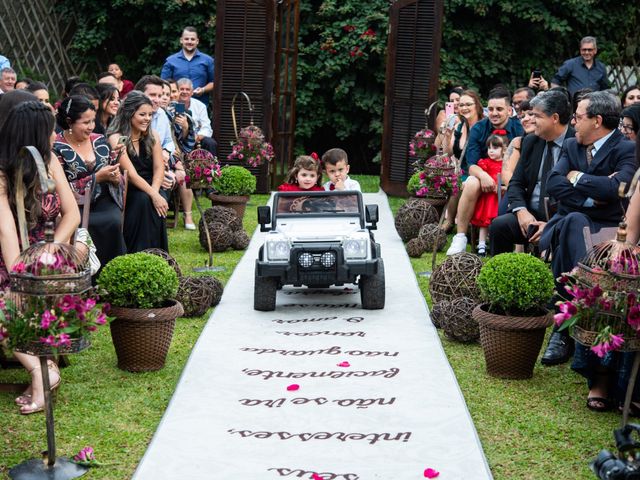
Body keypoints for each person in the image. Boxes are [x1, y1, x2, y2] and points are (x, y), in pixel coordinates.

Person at [539, 91, 636, 368]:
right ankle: (586, 304)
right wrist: (593, 195)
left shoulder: (626, 148)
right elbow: (554, 184)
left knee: (573, 223)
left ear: (597, 120)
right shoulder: (571, 146)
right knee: (572, 222)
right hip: (571, 220)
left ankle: (563, 328)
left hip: (608, 227)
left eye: (578, 117)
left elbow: (618, 189)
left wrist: (577, 177)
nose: (573, 123)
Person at [0, 101, 80, 414]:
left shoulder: (51, 160)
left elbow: (71, 214)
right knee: (8, 301)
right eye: (49, 130)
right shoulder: (2, 173)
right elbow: (6, 231)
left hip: (44, 251)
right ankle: (42, 370)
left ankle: (42, 370)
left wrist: (50, 249)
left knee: (27, 297)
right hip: (9, 256)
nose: (55, 135)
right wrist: (21, 277)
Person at [490, 89, 574, 257]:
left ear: (555, 118)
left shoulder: (576, 144)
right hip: (529, 216)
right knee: (499, 225)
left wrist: (552, 223)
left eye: (537, 116)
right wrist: (521, 211)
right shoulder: (531, 141)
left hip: (562, 218)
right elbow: (516, 183)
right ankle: (501, 278)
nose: (531, 121)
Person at [446, 88, 524, 255]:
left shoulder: (519, 129)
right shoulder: (479, 128)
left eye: (500, 109)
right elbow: (471, 164)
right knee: (472, 182)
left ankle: (518, 247)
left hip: (512, 179)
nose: (494, 113)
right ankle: (460, 237)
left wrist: (507, 183)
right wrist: (483, 176)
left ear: (510, 111)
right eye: (491, 109)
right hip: (484, 178)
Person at [53, 95, 126, 268]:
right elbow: (59, 187)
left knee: (113, 221)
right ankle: (86, 277)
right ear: (70, 122)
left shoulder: (99, 140)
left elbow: (112, 170)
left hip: (104, 200)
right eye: (86, 123)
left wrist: (116, 177)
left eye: (93, 121)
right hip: (72, 207)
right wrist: (96, 178)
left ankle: (112, 272)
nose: (91, 127)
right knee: (87, 226)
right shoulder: (56, 146)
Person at [107, 91, 169, 252]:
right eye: (142, 114)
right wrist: (153, 195)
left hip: (152, 185)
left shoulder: (152, 135)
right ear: (129, 114)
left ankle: (158, 255)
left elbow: (159, 167)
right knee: (143, 199)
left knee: (155, 198)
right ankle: (138, 252)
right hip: (128, 188)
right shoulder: (116, 138)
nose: (147, 118)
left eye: (150, 114)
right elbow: (131, 174)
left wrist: (155, 192)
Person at [160, 80, 196, 230]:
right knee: (179, 171)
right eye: (161, 94)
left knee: (183, 175)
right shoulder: (148, 113)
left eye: (168, 94)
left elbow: (183, 141)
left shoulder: (177, 112)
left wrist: (186, 127)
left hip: (176, 153)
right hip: (162, 154)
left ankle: (188, 214)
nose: (164, 97)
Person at [469, 133, 507, 256]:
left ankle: (496, 245)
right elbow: (477, 173)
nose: (491, 151)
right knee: (484, 222)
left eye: (495, 148)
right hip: (488, 198)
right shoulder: (485, 163)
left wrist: (502, 187)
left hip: (499, 199)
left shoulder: (506, 166)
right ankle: (481, 245)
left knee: (497, 221)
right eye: (489, 148)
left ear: (504, 149)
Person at [161, 27, 214, 108]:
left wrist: (203, 90)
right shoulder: (171, 61)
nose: (189, 42)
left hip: (201, 105)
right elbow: (163, 84)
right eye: (186, 39)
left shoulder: (208, 60)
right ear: (181, 40)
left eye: (192, 39)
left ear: (197, 41)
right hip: (176, 106)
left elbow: (214, 82)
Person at [176, 77, 216, 155]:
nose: (184, 92)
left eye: (187, 89)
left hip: (196, 137)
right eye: (182, 89)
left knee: (211, 143)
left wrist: (196, 137)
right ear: (177, 91)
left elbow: (206, 127)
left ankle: (212, 166)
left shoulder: (200, 106)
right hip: (178, 137)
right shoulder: (172, 105)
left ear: (192, 92)